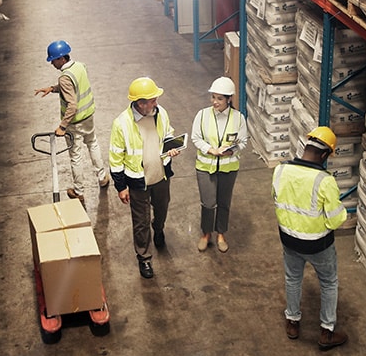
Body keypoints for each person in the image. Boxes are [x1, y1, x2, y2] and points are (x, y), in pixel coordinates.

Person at [272, 126, 348, 351]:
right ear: (325, 155)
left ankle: (293, 323)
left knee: (293, 279)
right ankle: (326, 331)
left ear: (306, 147)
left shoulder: (281, 170)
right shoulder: (324, 180)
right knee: (329, 282)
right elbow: (335, 220)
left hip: (288, 239)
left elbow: (278, 201)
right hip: (318, 244)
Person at [109, 77, 182, 279]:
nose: (156, 103)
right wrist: (120, 187)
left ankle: (158, 229)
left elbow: (168, 134)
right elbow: (115, 157)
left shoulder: (161, 113)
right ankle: (145, 258)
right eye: (152, 100)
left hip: (161, 176)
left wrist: (172, 148)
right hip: (137, 182)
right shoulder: (121, 124)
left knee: (162, 209)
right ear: (140, 103)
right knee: (140, 222)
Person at [33, 40, 109, 207]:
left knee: (76, 156)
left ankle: (79, 192)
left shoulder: (64, 77)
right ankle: (103, 177)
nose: (52, 63)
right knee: (93, 144)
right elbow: (75, 86)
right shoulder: (80, 66)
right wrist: (52, 88)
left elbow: (72, 104)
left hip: (75, 122)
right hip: (88, 115)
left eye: (53, 60)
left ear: (61, 58)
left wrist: (62, 126)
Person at [190, 77, 247, 253]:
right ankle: (206, 233)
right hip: (205, 167)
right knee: (208, 203)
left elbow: (243, 141)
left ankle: (221, 233)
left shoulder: (238, 118)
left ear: (229, 99)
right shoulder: (202, 115)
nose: (215, 102)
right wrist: (210, 150)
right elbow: (195, 138)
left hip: (228, 169)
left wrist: (232, 150)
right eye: (213, 97)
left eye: (219, 99)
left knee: (224, 202)